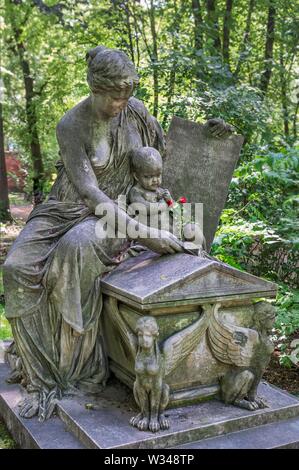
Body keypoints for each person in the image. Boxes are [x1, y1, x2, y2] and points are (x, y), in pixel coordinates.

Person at [3, 46, 230, 420]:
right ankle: (39, 365)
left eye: (126, 96)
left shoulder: (135, 111)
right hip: (72, 207)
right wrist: (143, 234)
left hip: (122, 208)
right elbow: (90, 192)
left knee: (78, 248)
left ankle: (73, 368)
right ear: (95, 88)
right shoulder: (71, 125)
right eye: (113, 97)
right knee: (15, 267)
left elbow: (162, 154)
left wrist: (209, 137)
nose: (120, 104)